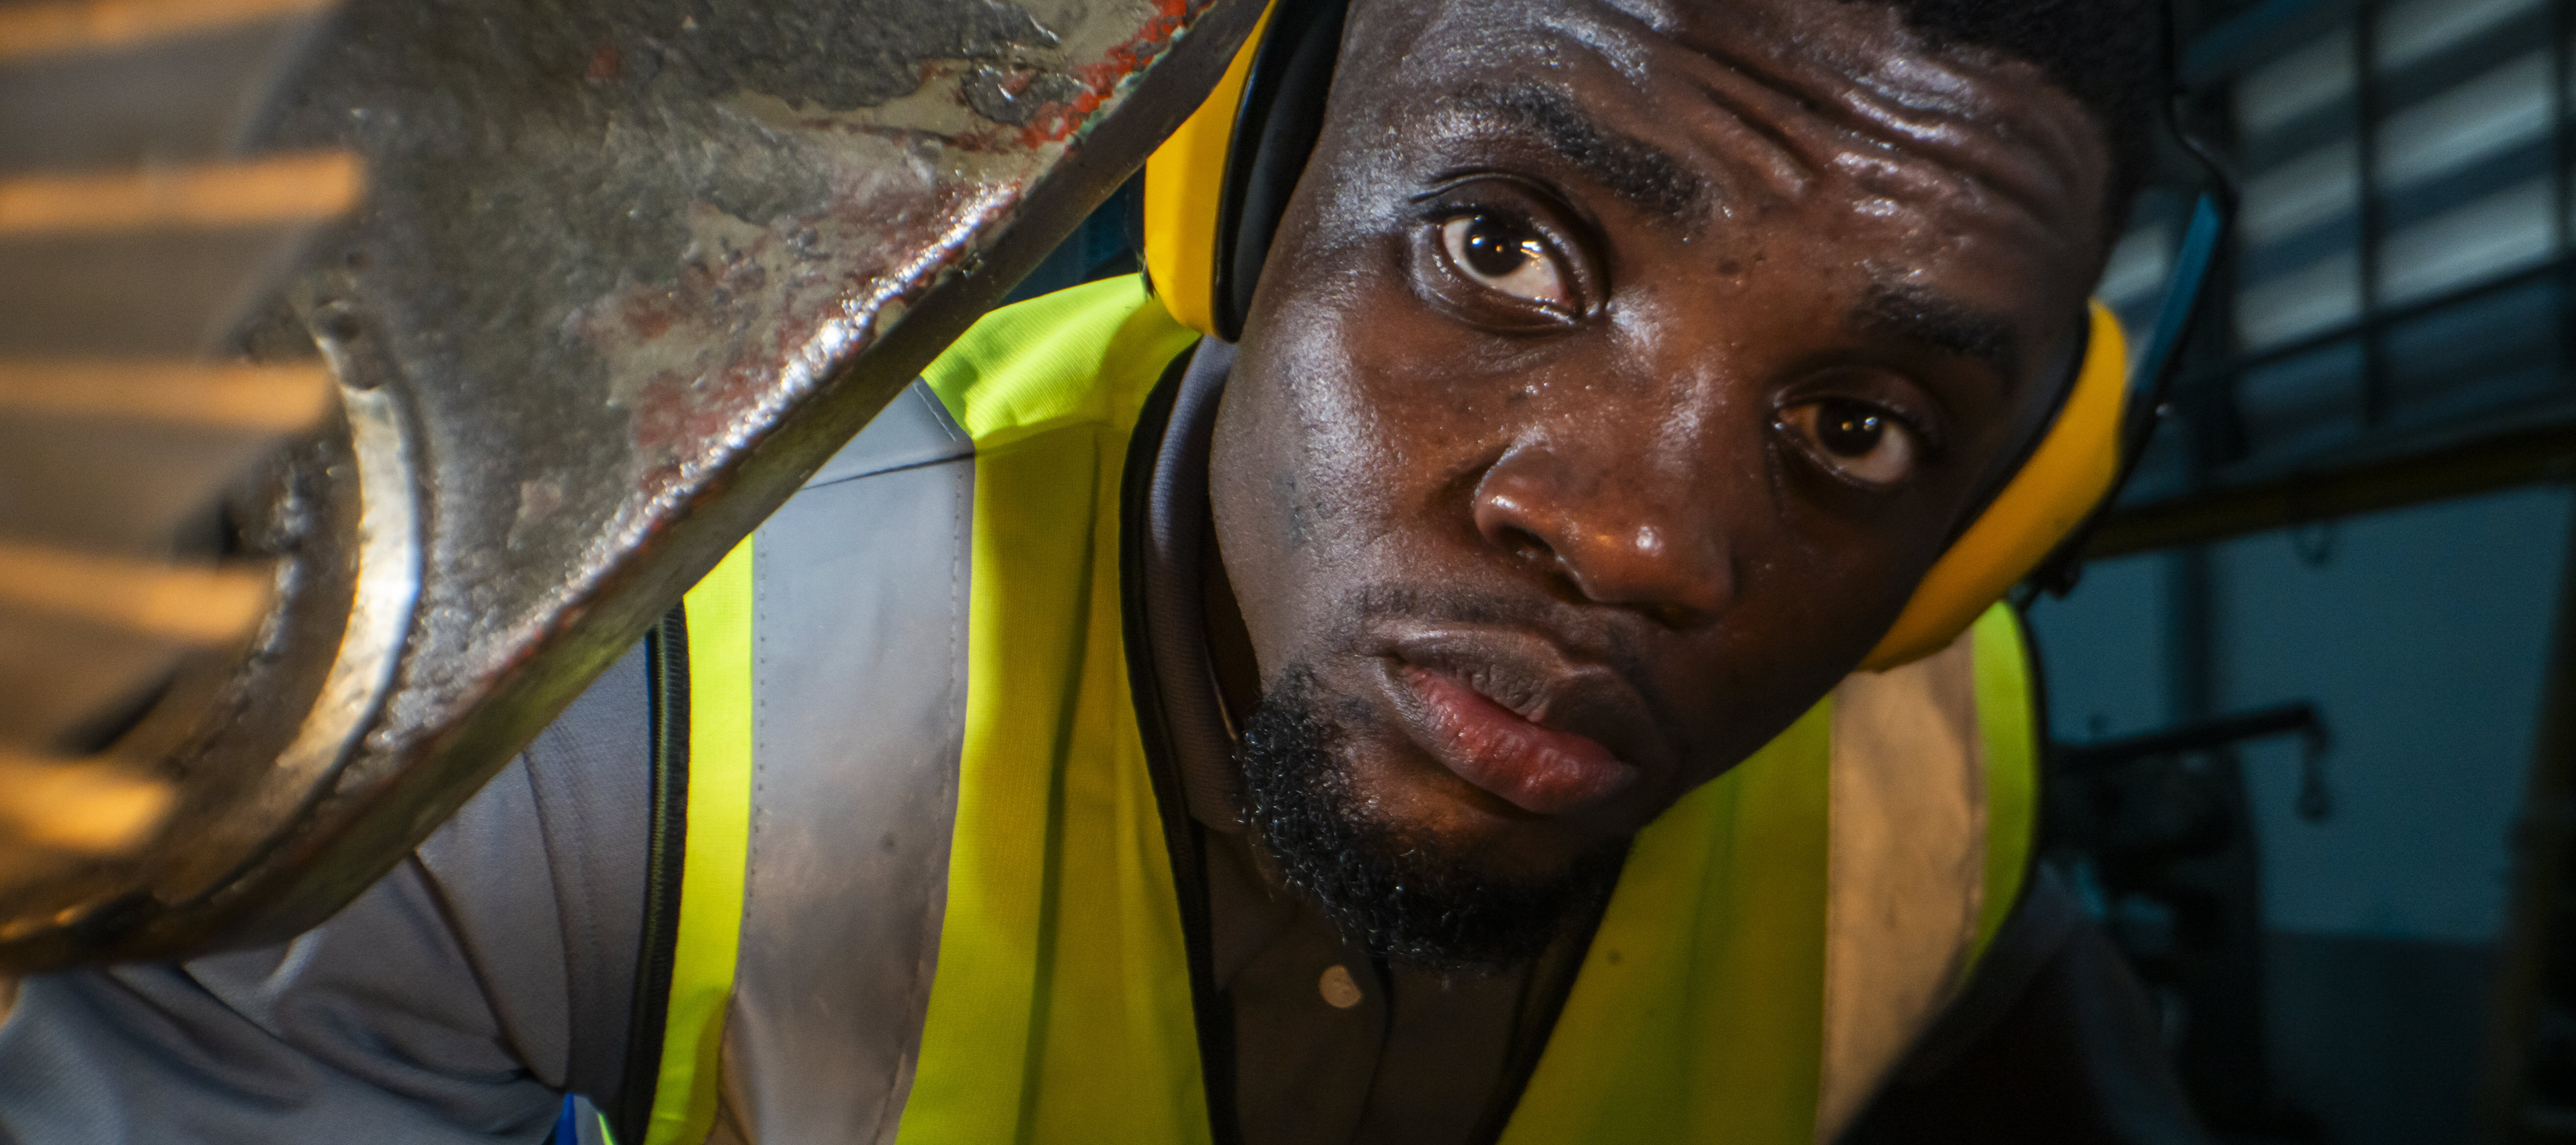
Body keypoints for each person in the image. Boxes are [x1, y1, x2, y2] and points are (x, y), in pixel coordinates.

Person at [0, 0, 2208, 1141]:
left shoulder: (1932, 793)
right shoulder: (617, 672)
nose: (1637, 535)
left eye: (1856, 428)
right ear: (1238, 204)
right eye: (1508, 247)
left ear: (1987, 525)